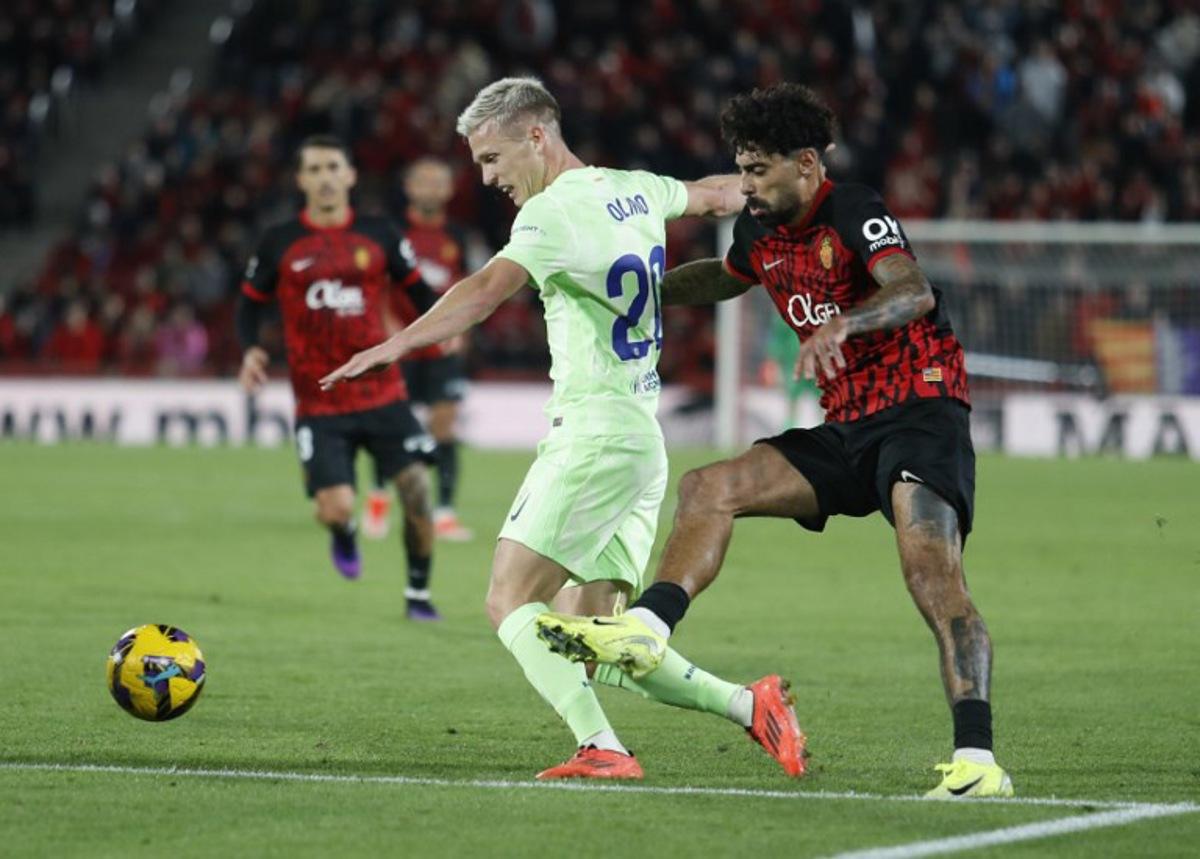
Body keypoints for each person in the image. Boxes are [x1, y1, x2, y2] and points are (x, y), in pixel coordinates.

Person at [536, 83, 1013, 799]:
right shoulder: (759, 234)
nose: (746, 185)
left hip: (920, 412)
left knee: (931, 575)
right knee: (710, 487)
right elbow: (722, 281)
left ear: (808, 163)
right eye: (742, 169)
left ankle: (978, 760)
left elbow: (913, 290)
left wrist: (844, 323)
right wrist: (635, 288)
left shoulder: (854, 209)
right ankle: (645, 627)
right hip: (846, 424)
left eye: (759, 170)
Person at [321, 77, 806, 780]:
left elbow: (486, 289)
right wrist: (786, 185)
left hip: (595, 434)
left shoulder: (550, 215)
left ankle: (603, 749)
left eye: (492, 158)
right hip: (640, 440)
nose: (487, 178)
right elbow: (713, 193)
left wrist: (396, 344)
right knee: (598, 644)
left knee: (507, 597)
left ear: (537, 137)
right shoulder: (633, 187)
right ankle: (749, 704)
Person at [236, 134, 442, 622]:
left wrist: (443, 331)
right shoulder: (280, 241)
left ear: (350, 176)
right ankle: (344, 531)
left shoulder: (380, 233)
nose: (325, 177)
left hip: (383, 393)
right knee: (334, 509)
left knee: (415, 489)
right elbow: (249, 302)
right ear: (301, 179)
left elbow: (419, 292)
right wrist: (249, 350)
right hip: (319, 401)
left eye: (333, 167)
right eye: (315, 169)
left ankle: (417, 595)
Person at [364, 156, 474, 543]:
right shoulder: (391, 231)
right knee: (390, 425)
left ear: (448, 190)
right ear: (409, 187)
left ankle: (444, 513)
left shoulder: (457, 236)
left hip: (441, 347)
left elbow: (469, 286)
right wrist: (388, 328)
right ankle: (378, 499)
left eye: (438, 181)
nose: (430, 188)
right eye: (423, 181)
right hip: (400, 347)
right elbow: (374, 283)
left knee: (443, 425)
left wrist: (460, 329)